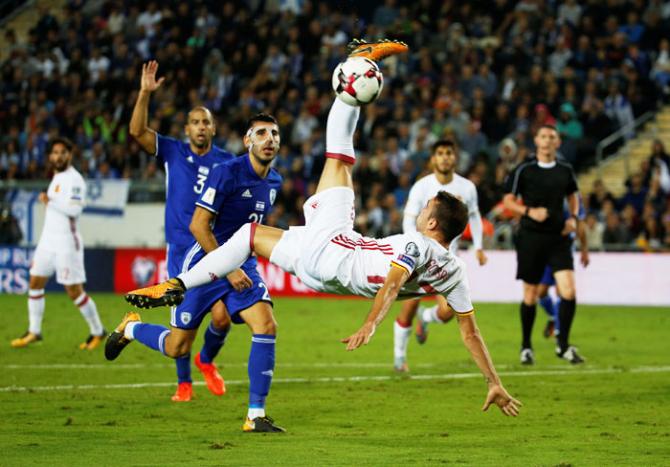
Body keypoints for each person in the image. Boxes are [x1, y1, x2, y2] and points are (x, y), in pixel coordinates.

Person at [119, 40, 521, 419]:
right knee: (282, 211)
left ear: (432, 222)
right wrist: (494, 382)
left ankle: (179, 284)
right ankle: (358, 71)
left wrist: (370, 324)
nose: (420, 210)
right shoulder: (455, 270)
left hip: (331, 252)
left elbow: (394, 284)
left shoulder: (417, 245)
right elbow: (470, 333)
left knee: (279, 211)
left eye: (427, 207)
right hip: (334, 257)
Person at [112, 113, 284, 432]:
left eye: (274, 133)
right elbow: (198, 225)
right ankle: (131, 329)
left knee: (266, 325)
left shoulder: (275, 182)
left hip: (242, 265)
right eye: (261, 133)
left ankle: (255, 416)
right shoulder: (226, 173)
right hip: (203, 264)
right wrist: (228, 267)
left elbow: (253, 231)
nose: (269, 139)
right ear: (248, 141)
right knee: (177, 347)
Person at [128, 60, 235, 402]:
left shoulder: (227, 161)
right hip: (181, 250)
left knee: (222, 319)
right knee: (183, 325)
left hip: (213, 248)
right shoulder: (173, 151)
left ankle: (206, 361)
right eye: (195, 122)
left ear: (213, 128)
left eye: (206, 122)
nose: (200, 127)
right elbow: (137, 133)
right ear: (186, 129)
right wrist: (145, 93)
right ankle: (184, 383)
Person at [392, 139, 488, 372]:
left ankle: (426, 319)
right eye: (440, 153)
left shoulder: (467, 188)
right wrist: (414, 246)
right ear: (433, 159)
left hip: (447, 260)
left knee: (447, 312)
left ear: (455, 157)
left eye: (449, 153)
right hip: (419, 258)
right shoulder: (422, 187)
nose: (445, 157)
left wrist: (478, 245)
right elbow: (409, 217)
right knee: (409, 306)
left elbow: (474, 216)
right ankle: (399, 358)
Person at [11, 137, 105, 350]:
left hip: (66, 244)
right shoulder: (57, 177)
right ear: (50, 156)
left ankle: (98, 331)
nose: (58, 156)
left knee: (74, 291)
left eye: (63, 152)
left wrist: (49, 201)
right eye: (55, 153)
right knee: (35, 283)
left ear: (69, 155)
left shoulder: (75, 180)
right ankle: (34, 331)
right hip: (48, 241)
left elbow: (75, 210)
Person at [503, 125, 584, 365]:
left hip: (558, 238)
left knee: (568, 291)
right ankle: (526, 346)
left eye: (552, 137)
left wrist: (573, 217)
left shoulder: (565, 170)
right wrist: (529, 211)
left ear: (558, 143)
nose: (547, 140)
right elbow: (508, 201)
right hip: (531, 238)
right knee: (530, 295)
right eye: (543, 136)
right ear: (536, 140)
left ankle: (563, 345)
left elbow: (573, 196)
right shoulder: (524, 169)